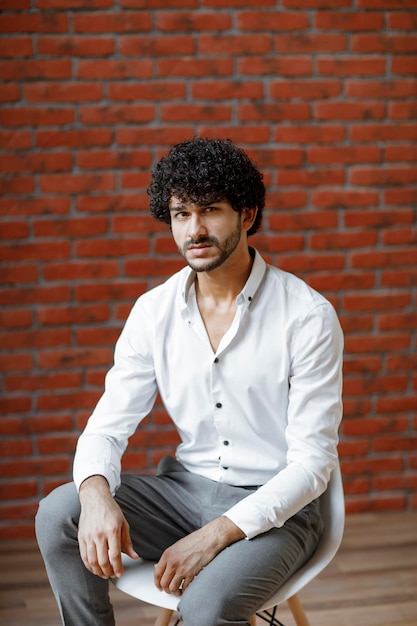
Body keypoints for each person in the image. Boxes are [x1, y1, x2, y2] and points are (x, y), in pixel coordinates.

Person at [36, 137, 343, 626]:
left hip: (276, 511)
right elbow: (105, 428)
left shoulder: (306, 316)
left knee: (206, 607)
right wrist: (95, 496)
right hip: (182, 494)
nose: (194, 230)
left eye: (210, 211)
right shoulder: (153, 312)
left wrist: (217, 534)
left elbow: (312, 466)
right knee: (60, 513)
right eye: (181, 214)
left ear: (246, 214)